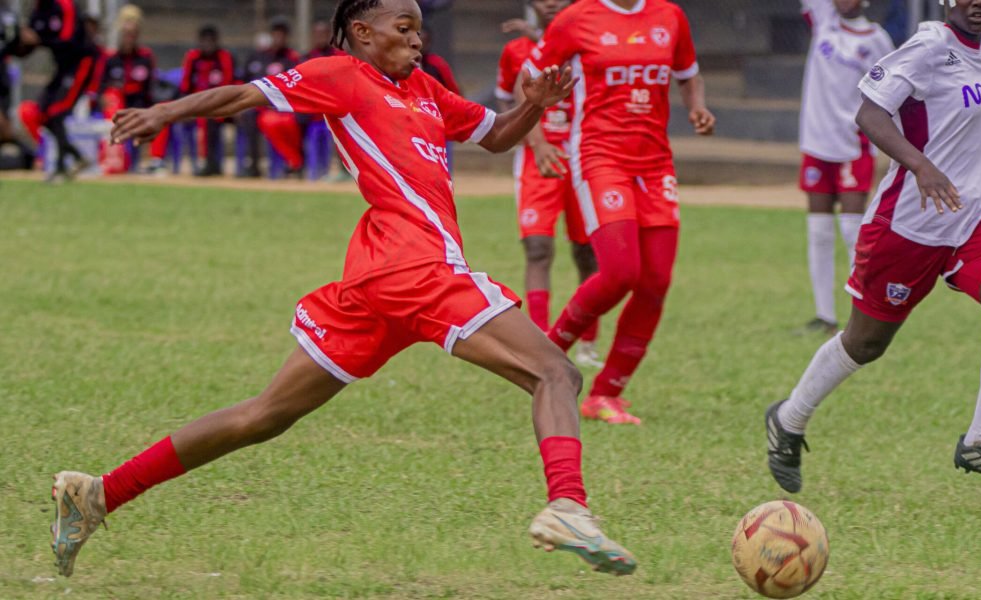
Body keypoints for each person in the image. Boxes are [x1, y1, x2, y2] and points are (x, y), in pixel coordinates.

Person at [50, 0, 635, 580]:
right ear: (361, 32)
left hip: (379, 283)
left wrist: (531, 106)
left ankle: (99, 493)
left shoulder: (426, 91)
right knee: (555, 374)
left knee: (265, 415)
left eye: (419, 31)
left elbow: (496, 136)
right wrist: (166, 112)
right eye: (402, 28)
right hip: (416, 271)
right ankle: (568, 507)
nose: (416, 41)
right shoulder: (341, 77)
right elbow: (245, 95)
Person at [765, 0, 981, 492]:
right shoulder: (928, 46)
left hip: (974, 215)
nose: (980, 2)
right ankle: (789, 419)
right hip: (908, 226)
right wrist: (920, 165)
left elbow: (973, 98)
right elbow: (871, 113)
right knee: (866, 343)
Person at [525, 0, 716, 425]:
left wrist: (695, 106)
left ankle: (605, 394)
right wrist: (538, 140)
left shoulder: (670, 16)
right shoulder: (578, 18)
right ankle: (544, 359)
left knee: (655, 282)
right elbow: (529, 76)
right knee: (620, 272)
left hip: (655, 163)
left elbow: (689, 73)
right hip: (599, 158)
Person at [497, 0, 604, 368]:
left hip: (587, 158)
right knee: (539, 250)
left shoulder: (595, 44)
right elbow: (512, 99)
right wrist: (538, 141)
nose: (552, 2)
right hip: (536, 160)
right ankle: (542, 339)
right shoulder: (518, 51)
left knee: (588, 253)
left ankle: (588, 344)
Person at [796, 0, 895, 336]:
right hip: (816, 143)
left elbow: (892, 90)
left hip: (853, 144)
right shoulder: (824, 22)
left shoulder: (876, 39)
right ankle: (824, 315)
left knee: (853, 230)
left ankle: (861, 314)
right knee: (819, 231)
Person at [21, 0, 103, 181]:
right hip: (63, 67)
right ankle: (76, 156)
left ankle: (60, 168)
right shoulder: (38, 10)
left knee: (57, 111)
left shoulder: (65, 6)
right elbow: (27, 42)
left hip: (82, 62)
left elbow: (68, 40)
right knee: (42, 113)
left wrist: (39, 40)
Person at [99, 21, 168, 173]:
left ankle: (156, 162)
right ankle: (118, 160)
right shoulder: (111, 59)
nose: (128, 39)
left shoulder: (145, 57)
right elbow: (100, 87)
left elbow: (152, 86)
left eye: (132, 35)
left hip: (141, 106)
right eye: (125, 35)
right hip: (118, 110)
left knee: (164, 111)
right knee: (112, 96)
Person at [237, 17, 301, 177]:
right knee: (249, 117)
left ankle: (295, 161)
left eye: (282, 34)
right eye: (276, 34)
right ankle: (253, 166)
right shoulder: (258, 56)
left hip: (282, 106)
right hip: (257, 106)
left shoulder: (292, 58)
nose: (279, 37)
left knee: (276, 122)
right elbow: (243, 80)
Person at [181, 25, 236, 176]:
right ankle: (203, 162)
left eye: (210, 41)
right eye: (204, 41)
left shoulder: (224, 57)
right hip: (195, 103)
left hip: (221, 104)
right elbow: (185, 85)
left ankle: (212, 163)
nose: (207, 45)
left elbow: (228, 84)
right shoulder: (193, 57)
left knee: (210, 120)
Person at [0, 6, 36, 169]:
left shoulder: (7, 15)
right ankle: (30, 155)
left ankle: (30, 156)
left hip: (1, 82)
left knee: (3, 127)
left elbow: (21, 46)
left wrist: (27, 41)